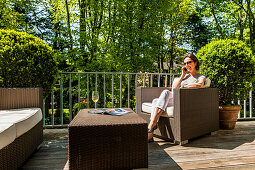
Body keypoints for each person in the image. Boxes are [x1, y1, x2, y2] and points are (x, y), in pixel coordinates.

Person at [148, 53, 206, 141]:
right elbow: (174, 89)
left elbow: (200, 84)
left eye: (189, 62)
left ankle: (151, 126)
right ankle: (151, 127)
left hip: (184, 100)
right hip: (176, 98)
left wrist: (185, 87)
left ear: (195, 63)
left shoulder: (200, 76)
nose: (187, 65)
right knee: (156, 100)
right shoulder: (185, 76)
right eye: (185, 63)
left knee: (165, 93)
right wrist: (182, 75)